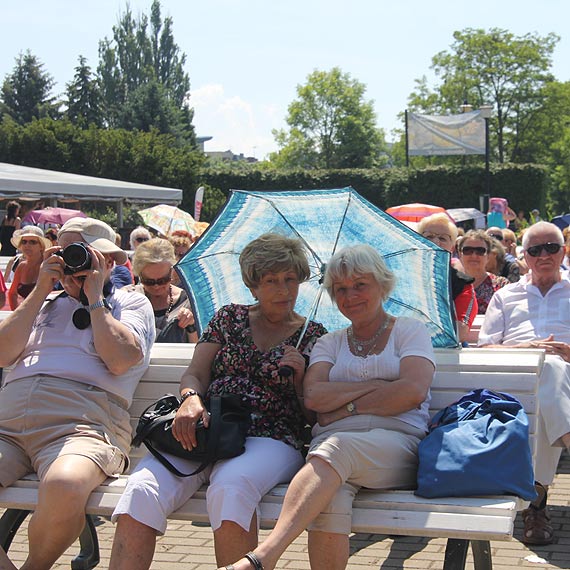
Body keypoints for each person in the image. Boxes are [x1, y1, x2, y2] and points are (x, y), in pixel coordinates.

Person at [109, 233, 327, 569]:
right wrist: (190, 400)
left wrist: (299, 378)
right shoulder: (228, 318)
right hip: (209, 424)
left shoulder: (314, 335)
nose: (283, 290)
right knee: (141, 489)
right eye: (271, 281)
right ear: (253, 286)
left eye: (290, 279)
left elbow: (312, 415)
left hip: (269, 435)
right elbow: (194, 373)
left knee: (231, 486)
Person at [221, 244, 435, 570]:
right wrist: (378, 388)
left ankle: (262, 558)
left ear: (382, 284)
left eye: (360, 285)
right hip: (331, 456)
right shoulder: (328, 342)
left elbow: (411, 392)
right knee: (329, 496)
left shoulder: (409, 331)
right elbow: (315, 398)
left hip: (396, 447)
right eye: (341, 290)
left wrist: (343, 407)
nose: (350, 296)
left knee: (338, 448)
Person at [0, 216, 155, 570]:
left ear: (109, 261)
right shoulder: (43, 302)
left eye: (79, 253)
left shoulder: (130, 303)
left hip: (81, 426)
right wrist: (41, 288)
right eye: (63, 251)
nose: (70, 262)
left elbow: (120, 360)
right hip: (7, 426)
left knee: (65, 484)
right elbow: (2, 353)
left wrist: (95, 298)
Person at [478, 220, 570, 546]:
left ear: (563, 251)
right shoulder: (505, 296)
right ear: (524, 256)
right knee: (544, 375)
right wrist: (526, 348)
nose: (544, 255)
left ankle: (536, 507)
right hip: (515, 376)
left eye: (551, 248)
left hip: (568, 377)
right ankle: (536, 505)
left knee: (552, 372)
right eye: (535, 250)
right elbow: (485, 346)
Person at [417, 213, 478, 344]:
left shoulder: (463, 285)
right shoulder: (401, 278)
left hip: (446, 355)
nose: (435, 242)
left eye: (443, 238)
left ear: (452, 247)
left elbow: (459, 332)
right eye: (429, 236)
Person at [125, 237, 198, 343]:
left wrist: (191, 325)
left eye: (163, 280)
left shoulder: (188, 301)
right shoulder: (127, 297)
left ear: (172, 271)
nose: (156, 286)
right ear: (139, 275)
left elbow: (197, 347)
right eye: (149, 281)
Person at [457, 230, 509, 314]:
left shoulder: (501, 285)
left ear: (488, 256)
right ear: (460, 254)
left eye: (480, 251)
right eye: (467, 250)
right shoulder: (449, 285)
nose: (474, 255)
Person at [7, 226, 51, 310]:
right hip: (27, 316)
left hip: (46, 315)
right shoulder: (21, 266)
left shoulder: (47, 265)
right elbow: (12, 293)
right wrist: (16, 314)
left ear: (41, 246)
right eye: (24, 242)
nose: (27, 245)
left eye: (32, 242)